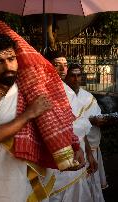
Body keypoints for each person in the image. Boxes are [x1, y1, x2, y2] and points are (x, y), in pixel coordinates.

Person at [0, 20, 84, 202]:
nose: (8, 67)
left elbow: (57, 117)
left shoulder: (30, 87)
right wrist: (29, 113)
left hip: (33, 176)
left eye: (11, 59)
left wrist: (75, 146)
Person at [45, 51, 102, 202]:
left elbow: (80, 128)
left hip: (77, 156)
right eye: (57, 65)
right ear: (48, 66)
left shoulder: (68, 92)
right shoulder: (42, 89)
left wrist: (89, 154)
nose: (62, 69)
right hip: (54, 159)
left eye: (65, 65)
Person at [64, 63, 107, 201]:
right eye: (72, 76)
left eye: (79, 75)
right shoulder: (63, 96)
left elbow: (97, 117)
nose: (76, 79)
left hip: (91, 147)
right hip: (73, 149)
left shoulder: (88, 97)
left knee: (91, 183)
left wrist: (98, 121)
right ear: (66, 77)